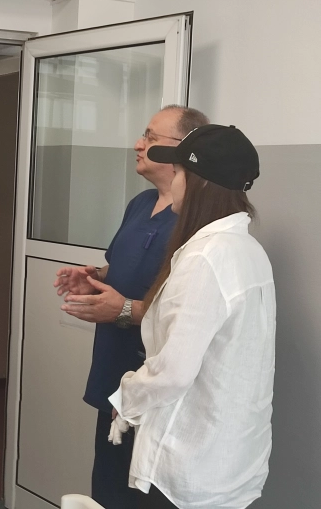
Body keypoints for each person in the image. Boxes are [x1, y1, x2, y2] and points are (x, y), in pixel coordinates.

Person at [108, 124, 275, 509]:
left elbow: (174, 371)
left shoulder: (206, 259)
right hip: (230, 460)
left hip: (189, 465)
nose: (174, 180)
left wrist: (128, 398)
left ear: (199, 183)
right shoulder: (246, 250)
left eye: (180, 172)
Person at [54, 106, 209, 508]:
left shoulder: (195, 222)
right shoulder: (141, 204)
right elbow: (127, 266)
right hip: (114, 376)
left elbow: (188, 315)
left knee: (143, 494)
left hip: (156, 386)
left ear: (183, 149)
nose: (139, 144)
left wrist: (125, 310)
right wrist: (96, 277)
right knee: (107, 486)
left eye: (151, 137)